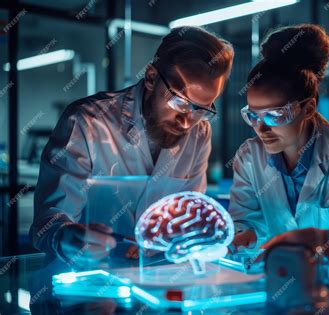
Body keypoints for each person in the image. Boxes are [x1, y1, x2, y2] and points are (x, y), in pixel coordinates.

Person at [29, 26, 234, 264]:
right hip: (88, 277)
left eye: (202, 109)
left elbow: (188, 211)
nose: (187, 121)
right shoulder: (88, 121)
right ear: (151, 78)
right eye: (180, 101)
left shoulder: (199, 132)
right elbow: (48, 220)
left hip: (158, 277)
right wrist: (64, 237)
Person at [228, 24, 329, 255]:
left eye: (275, 115)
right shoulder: (249, 157)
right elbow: (246, 222)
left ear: (308, 107)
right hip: (273, 278)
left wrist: (319, 241)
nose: (260, 128)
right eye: (253, 115)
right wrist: (244, 236)